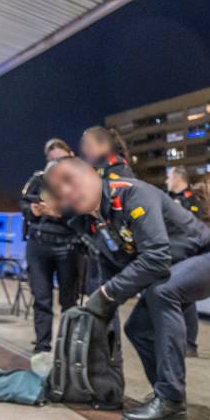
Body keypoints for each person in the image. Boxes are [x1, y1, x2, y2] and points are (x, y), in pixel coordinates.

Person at [44, 157, 210, 420]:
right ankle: (164, 394)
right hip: (172, 273)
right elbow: (114, 277)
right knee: (137, 329)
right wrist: (101, 319)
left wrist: (108, 294)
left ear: (91, 174)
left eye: (69, 179)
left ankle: (171, 398)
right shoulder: (91, 223)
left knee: (160, 293)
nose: (65, 191)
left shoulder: (133, 193)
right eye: (57, 188)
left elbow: (156, 258)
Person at [21, 138, 81, 356]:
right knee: (41, 299)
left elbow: (86, 212)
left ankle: (68, 348)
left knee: (69, 301)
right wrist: (33, 211)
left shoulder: (80, 182)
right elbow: (24, 203)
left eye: (60, 158)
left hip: (68, 246)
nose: (55, 163)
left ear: (71, 156)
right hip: (39, 244)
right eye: (52, 159)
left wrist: (60, 213)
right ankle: (42, 347)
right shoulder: (38, 179)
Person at [78, 125, 136, 295]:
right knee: (100, 301)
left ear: (103, 145)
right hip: (102, 246)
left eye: (88, 145)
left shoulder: (117, 172)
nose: (84, 150)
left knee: (103, 301)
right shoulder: (101, 170)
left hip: (113, 248)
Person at [166, 166, 202, 357]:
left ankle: (190, 345)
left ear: (179, 178)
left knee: (187, 300)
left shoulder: (191, 201)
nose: (166, 180)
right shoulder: (168, 198)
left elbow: (193, 227)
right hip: (169, 254)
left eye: (169, 176)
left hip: (186, 256)